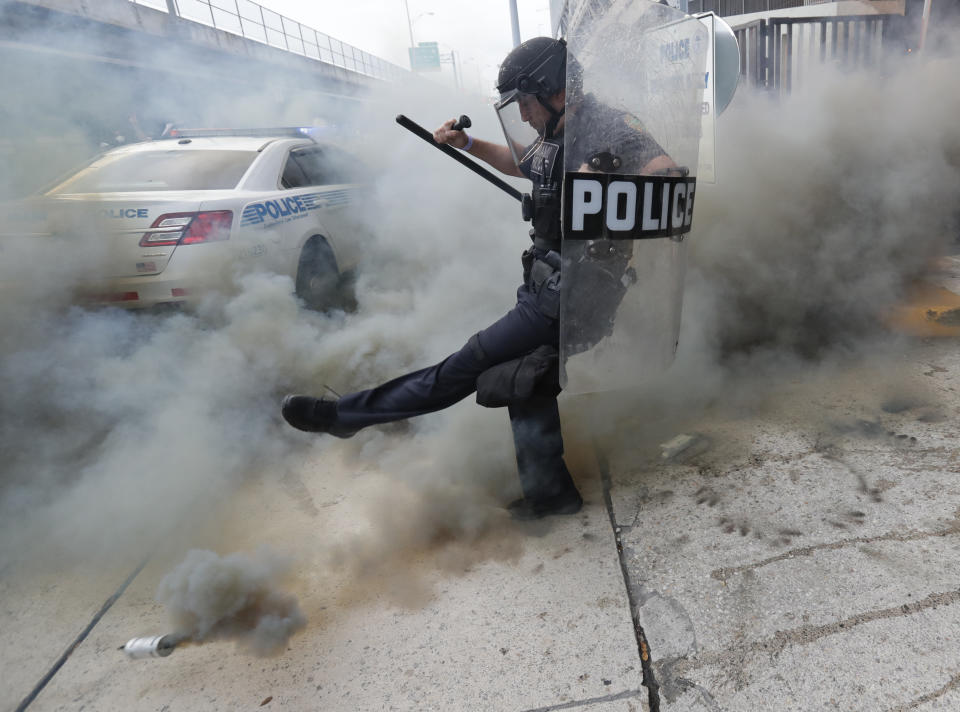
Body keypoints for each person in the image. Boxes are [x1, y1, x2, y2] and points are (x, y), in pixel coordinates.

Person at [281, 37, 673, 520]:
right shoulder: (554, 135)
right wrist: (465, 143)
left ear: (553, 90)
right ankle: (551, 498)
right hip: (546, 286)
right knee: (520, 380)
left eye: (526, 103)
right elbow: (520, 164)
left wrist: (606, 178)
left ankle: (346, 417)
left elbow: (667, 175)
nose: (524, 116)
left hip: (576, 294)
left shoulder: (611, 125)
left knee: (462, 368)